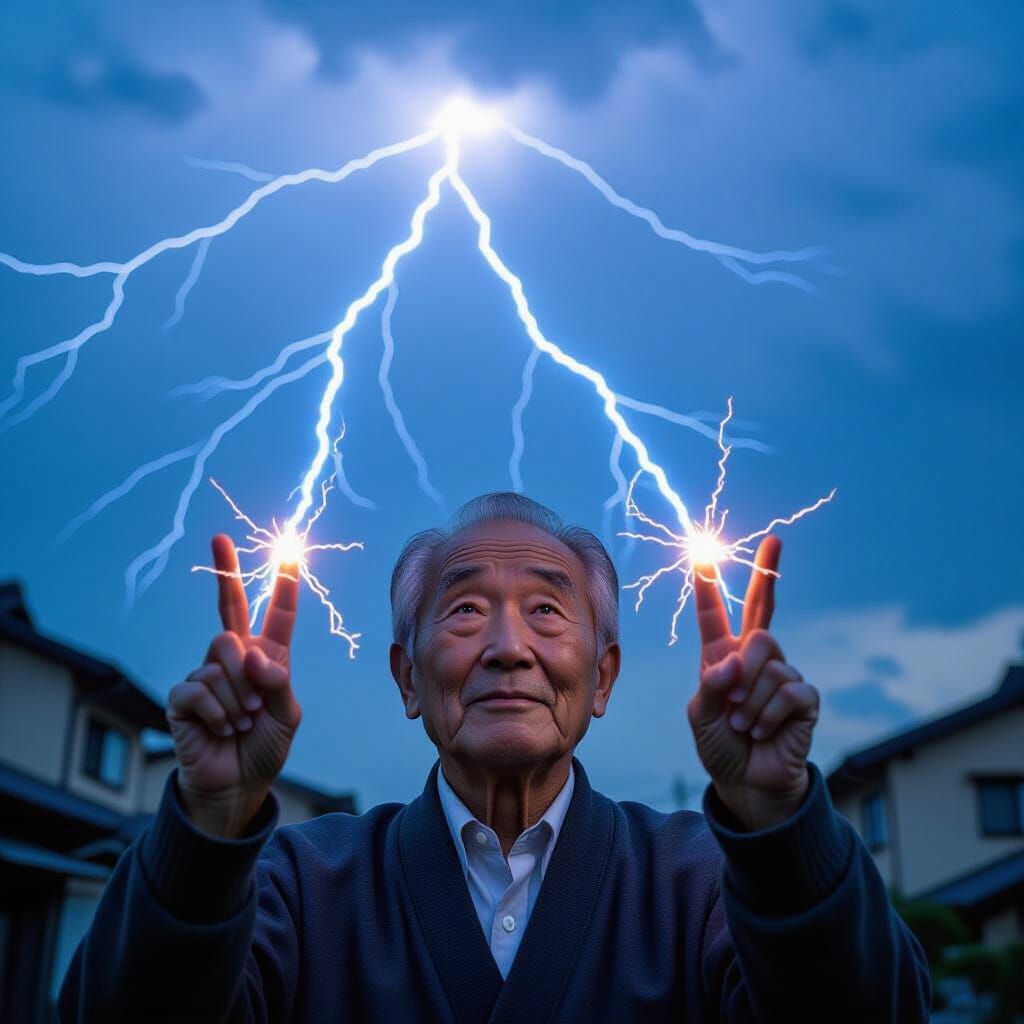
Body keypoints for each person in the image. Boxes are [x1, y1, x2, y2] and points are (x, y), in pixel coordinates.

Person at [59, 493, 931, 1022]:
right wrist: (207, 826)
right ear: (408, 677)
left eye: (549, 612)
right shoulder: (298, 883)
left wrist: (780, 825)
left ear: (603, 677)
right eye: (466, 610)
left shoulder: (702, 881)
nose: (508, 647)